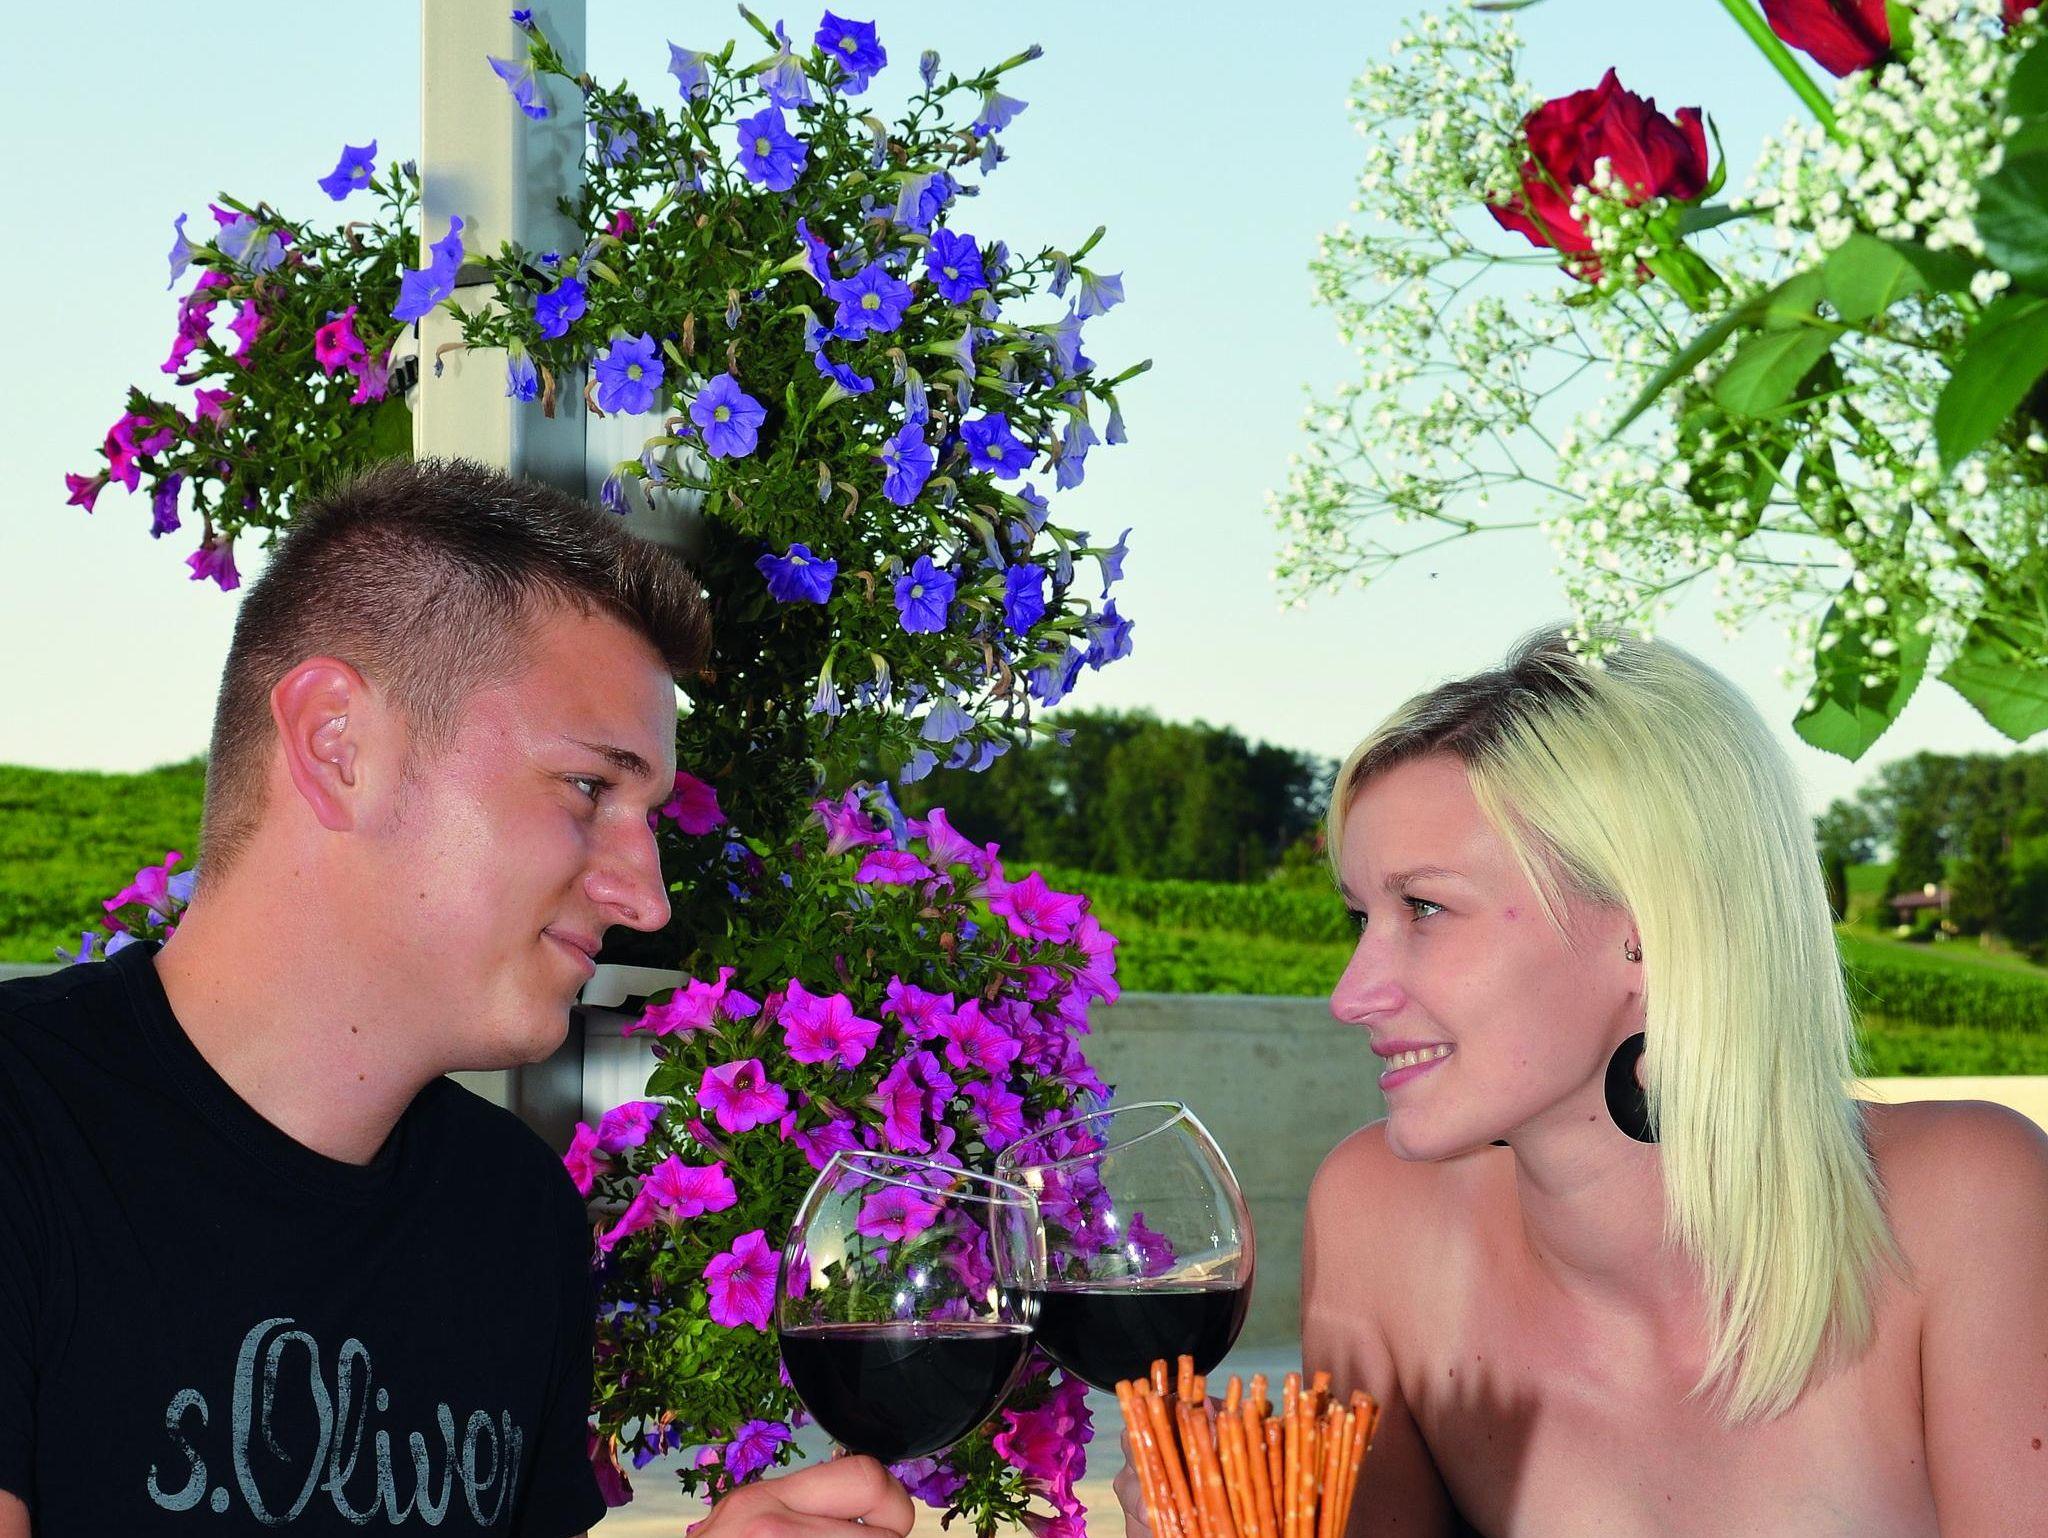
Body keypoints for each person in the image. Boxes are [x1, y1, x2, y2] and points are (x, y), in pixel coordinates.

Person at [0, 459, 914, 1538]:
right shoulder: (25, 1137)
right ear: (337, 745)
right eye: (589, 786)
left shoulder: (511, 1215)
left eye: (648, 815)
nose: (648, 898)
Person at [1118, 628, 2048, 1536]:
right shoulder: (1379, 1220)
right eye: (1361, 917)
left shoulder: (1963, 1201)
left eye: (1425, 907)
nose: (1351, 994)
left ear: (1646, 929)